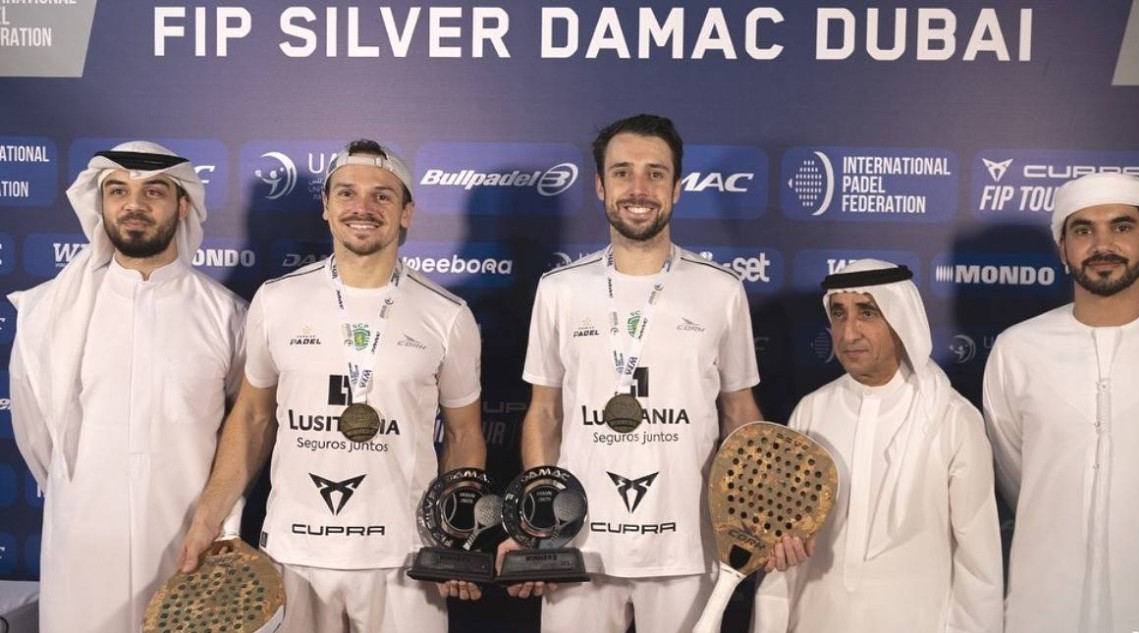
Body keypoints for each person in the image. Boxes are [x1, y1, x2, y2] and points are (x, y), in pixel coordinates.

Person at [500, 113, 792, 633]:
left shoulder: (721, 290)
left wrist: (756, 511)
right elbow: (544, 413)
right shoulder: (560, 289)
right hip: (579, 548)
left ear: (677, 188)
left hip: (687, 548)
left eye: (655, 173)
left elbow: (740, 413)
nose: (639, 188)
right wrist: (538, 523)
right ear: (600, 185)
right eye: (623, 172)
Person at [179, 139, 486, 632]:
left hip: (404, 557)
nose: (363, 207)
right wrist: (207, 517)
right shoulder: (276, 300)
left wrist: (455, 535)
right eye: (347, 193)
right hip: (293, 554)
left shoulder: (447, 315)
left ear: (406, 212)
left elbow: (464, 433)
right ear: (326, 206)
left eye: (382, 196)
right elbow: (253, 418)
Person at [7, 141, 247, 633]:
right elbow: (38, 440)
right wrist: (83, 495)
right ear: (100, 204)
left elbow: (244, 431)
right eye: (117, 191)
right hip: (83, 548)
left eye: (153, 192)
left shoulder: (227, 315)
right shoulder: (49, 314)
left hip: (188, 546)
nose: (133, 204)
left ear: (183, 205)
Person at [983, 173, 1139, 633]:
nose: (1103, 245)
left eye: (1121, 227)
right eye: (1083, 230)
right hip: (1045, 609)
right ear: (1063, 248)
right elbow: (1017, 473)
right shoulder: (1017, 350)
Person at [753, 259, 1004, 633]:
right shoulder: (812, 410)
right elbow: (781, 548)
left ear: (900, 320)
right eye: (839, 314)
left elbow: (978, 564)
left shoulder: (952, 418)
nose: (848, 332)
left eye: (867, 313)